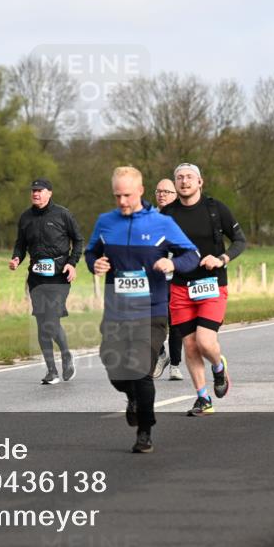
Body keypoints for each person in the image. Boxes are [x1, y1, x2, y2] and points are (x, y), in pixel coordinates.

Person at [85, 166, 199, 452]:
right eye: (117, 196)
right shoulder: (105, 222)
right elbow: (91, 252)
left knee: (140, 370)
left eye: (127, 195)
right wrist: (95, 264)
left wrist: (174, 263)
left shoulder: (160, 223)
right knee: (115, 369)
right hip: (116, 310)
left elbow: (192, 254)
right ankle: (132, 397)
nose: (122, 201)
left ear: (139, 191)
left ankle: (145, 431)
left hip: (152, 310)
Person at [160, 163, 247, 416]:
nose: (184, 181)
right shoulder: (167, 214)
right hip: (179, 287)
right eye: (179, 178)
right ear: (175, 184)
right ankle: (203, 399)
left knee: (205, 341)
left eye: (189, 177)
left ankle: (218, 367)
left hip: (211, 284)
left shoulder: (215, 209)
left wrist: (222, 259)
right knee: (189, 346)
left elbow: (240, 241)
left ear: (200, 182)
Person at [9, 178, 85, 384]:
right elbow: (20, 244)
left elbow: (78, 240)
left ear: (49, 193)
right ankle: (51, 371)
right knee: (42, 323)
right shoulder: (25, 217)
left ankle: (67, 355)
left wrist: (72, 263)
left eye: (40, 190)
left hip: (59, 275)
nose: (36, 194)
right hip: (36, 277)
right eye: (33, 191)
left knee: (50, 320)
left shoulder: (63, 214)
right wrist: (17, 258)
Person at [152, 179, 185, 381]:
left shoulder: (184, 216)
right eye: (159, 191)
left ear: (175, 194)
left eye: (167, 191)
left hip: (179, 275)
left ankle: (175, 364)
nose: (162, 194)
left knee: (176, 321)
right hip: (155, 277)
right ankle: (160, 354)